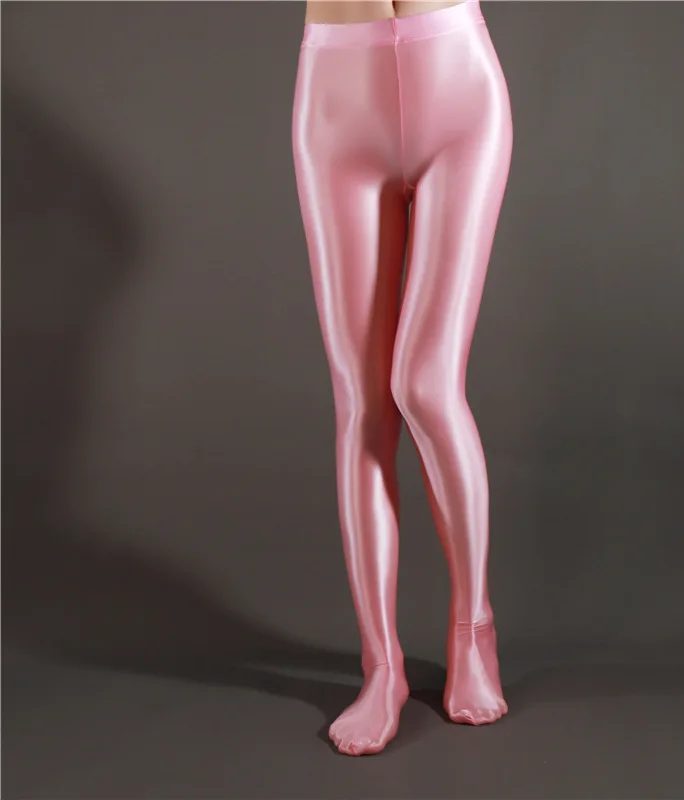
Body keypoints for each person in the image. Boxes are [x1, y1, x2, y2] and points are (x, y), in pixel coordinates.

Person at [292, 0, 513, 756]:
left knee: (425, 384)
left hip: (456, 84)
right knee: (361, 404)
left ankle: (473, 630)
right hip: (337, 98)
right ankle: (380, 665)